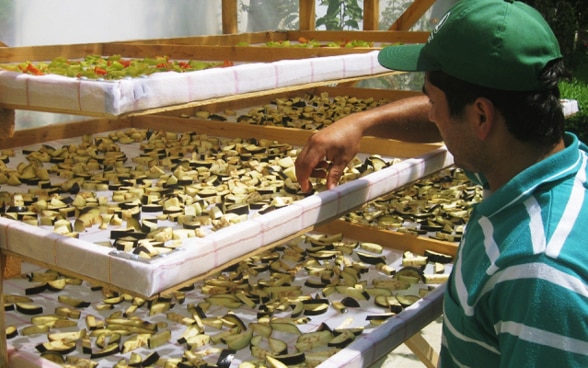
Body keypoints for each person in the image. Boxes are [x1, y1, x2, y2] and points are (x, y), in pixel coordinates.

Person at [294, 0, 588, 367]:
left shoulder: (537, 274)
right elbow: (455, 116)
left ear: (481, 117)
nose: (430, 115)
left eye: (432, 101)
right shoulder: (536, 168)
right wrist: (361, 123)